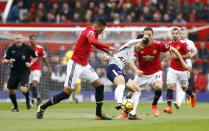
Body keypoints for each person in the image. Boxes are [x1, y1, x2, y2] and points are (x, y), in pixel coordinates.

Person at [36, 19, 118, 120]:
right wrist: (109, 47)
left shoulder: (94, 32)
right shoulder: (90, 32)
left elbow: (95, 44)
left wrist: (107, 51)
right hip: (75, 65)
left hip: (84, 65)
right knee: (66, 93)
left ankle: (98, 114)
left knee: (99, 86)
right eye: (101, 29)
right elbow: (92, 41)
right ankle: (42, 107)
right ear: (96, 26)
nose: (102, 32)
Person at [129, 27, 191, 117]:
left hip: (156, 72)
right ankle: (128, 113)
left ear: (152, 35)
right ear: (143, 35)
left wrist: (184, 64)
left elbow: (174, 50)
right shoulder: (139, 46)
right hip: (142, 73)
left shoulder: (158, 44)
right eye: (145, 35)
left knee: (159, 85)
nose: (147, 37)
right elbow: (131, 61)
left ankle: (154, 104)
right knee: (130, 93)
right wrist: (136, 70)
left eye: (149, 35)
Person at [106, 35, 148, 120]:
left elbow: (117, 55)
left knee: (137, 89)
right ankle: (119, 102)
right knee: (121, 83)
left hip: (119, 71)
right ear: (137, 42)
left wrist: (107, 57)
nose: (142, 47)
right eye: (141, 44)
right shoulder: (129, 46)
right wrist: (142, 39)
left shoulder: (133, 54)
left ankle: (132, 114)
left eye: (143, 46)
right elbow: (130, 42)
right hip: (113, 68)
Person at [163, 28, 196, 114]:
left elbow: (189, 56)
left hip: (182, 70)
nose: (174, 35)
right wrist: (164, 61)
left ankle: (192, 96)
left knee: (184, 88)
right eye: (173, 33)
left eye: (176, 33)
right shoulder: (169, 44)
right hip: (172, 69)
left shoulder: (183, 44)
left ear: (179, 34)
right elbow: (169, 56)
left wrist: (177, 56)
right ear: (171, 34)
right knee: (169, 86)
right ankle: (169, 107)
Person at [2, 33, 38, 112]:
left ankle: (27, 100)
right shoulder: (10, 49)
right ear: (14, 40)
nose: (19, 40)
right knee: (10, 91)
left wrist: (31, 63)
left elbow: (36, 56)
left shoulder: (27, 48)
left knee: (23, 89)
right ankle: (15, 107)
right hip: (14, 72)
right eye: (17, 38)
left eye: (20, 38)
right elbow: (3, 60)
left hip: (24, 71)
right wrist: (9, 61)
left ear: (22, 39)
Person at [174, 28, 197, 109]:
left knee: (183, 84)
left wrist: (192, 55)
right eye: (181, 33)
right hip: (177, 65)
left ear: (186, 34)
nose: (182, 35)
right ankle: (189, 96)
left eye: (184, 33)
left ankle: (178, 102)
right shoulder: (176, 42)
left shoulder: (190, 42)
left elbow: (195, 50)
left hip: (187, 65)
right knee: (178, 84)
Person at [29, 35, 52, 107]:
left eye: (34, 39)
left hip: (37, 69)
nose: (33, 40)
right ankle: (38, 98)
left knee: (34, 83)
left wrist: (49, 68)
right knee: (30, 86)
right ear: (29, 40)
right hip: (29, 70)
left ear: (36, 40)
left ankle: (32, 99)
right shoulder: (27, 48)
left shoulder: (40, 48)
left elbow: (44, 59)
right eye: (32, 39)